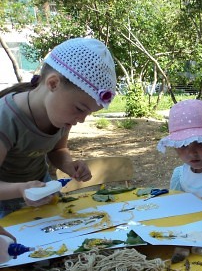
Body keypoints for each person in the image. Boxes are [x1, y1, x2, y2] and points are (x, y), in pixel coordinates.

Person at [0, 37, 117, 218]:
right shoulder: (5, 118)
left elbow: (58, 149)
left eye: (88, 114)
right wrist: (21, 189)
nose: (82, 120)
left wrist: (69, 165)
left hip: (41, 195)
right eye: (80, 109)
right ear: (53, 83)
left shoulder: (62, 117)